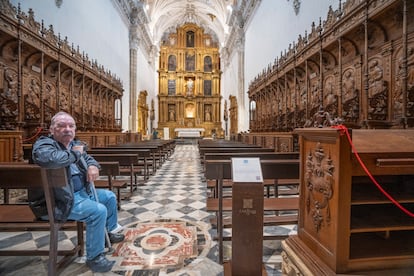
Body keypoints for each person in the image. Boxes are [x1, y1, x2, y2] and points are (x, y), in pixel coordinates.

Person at [32, 111, 124, 273]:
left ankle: (106, 234)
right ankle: (94, 257)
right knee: (98, 211)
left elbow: (88, 158)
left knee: (109, 197)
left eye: (71, 126)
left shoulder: (74, 144)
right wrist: (76, 153)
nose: (67, 129)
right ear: (52, 130)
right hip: (57, 201)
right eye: (61, 126)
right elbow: (51, 159)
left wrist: (93, 166)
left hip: (79, 193)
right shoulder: (44, 145)